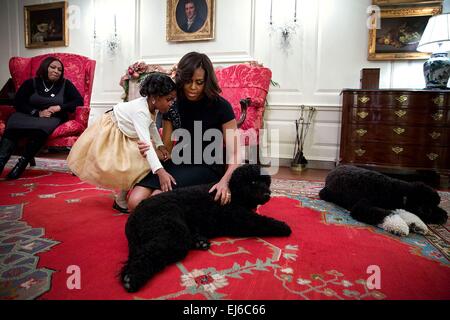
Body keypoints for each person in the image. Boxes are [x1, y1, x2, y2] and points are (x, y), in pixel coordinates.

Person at [127, 52, 241, 212]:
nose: (193, 87)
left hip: (207, 165)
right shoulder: (172, 103)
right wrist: (149, 150)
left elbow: (235, 154)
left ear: (207, 81)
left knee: (156, 199)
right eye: (188, 81)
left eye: (199, 82)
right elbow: (167, 150)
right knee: (134, 201)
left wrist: (225, 181)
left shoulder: (221, 106)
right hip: (178, 161)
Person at [67, 72, 176, 194]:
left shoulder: (151, 106)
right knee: (125, 165)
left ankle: (121, 197)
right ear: (155, 98)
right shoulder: (141, 112)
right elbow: (147, 145)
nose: (171, 103)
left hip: (127, 130)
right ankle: (121, 198)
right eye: (169, 99)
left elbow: (152, 125)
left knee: (136, 163)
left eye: (173, 99)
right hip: (113, 129)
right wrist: (161, 172)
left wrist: (160, 145)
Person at [0, 56, 83, 180]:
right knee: (12, 129)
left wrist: (60, 107)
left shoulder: (66, 84)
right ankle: (1, 161)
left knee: (39, 131)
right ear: (45, 67)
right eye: (53, 67)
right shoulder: (31, 83)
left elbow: (78, 101)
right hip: (27, 115)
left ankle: (21, 164)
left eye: (60, 69)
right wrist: (36, 113)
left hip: (50, 118)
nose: (56, 71)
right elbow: (18, 102)